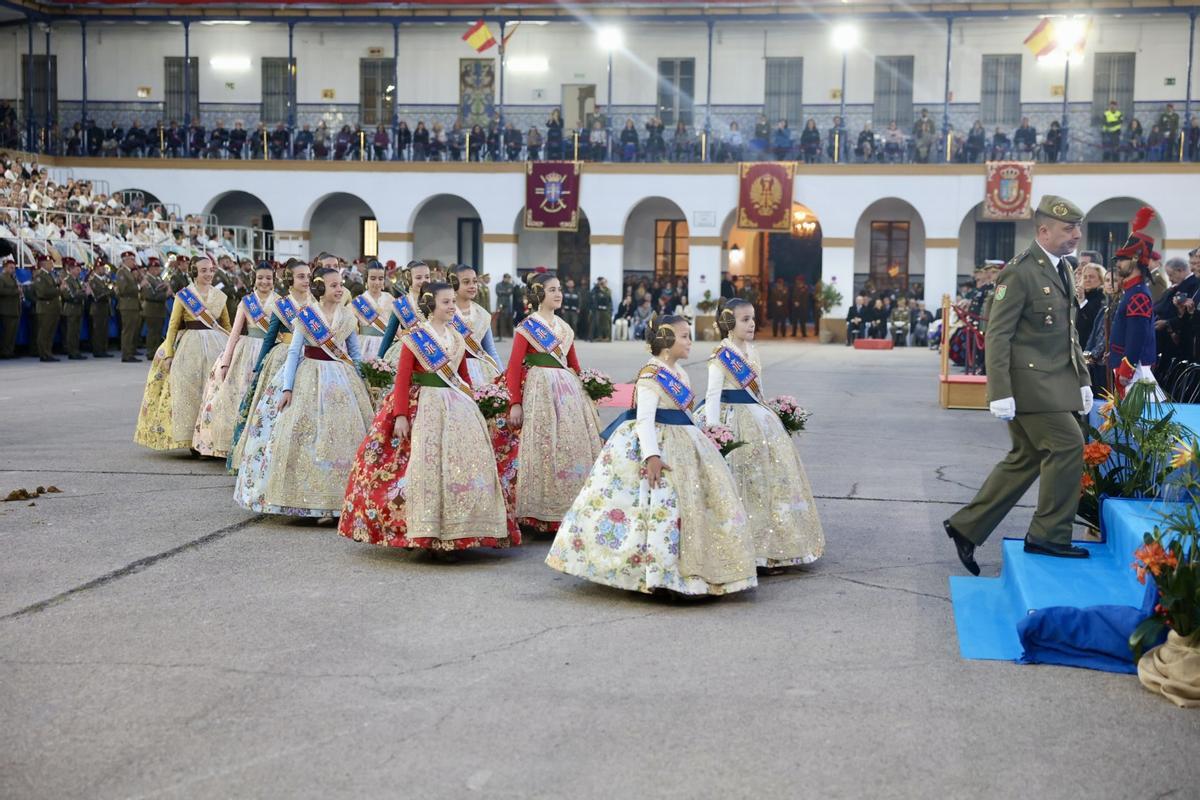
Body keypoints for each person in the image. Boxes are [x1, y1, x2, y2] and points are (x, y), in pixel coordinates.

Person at [545, 314, 757, 596]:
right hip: (658, 446)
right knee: (658, 509)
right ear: (666, 341)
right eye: (684, 336)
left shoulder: (678, 372)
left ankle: (688, 569)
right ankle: (656, 573)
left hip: (683, 442)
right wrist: (652, 456)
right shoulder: (650, 375)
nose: (690, 342)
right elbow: (644, 420)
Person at [944, 196, 1094, 572]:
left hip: (1055, 383)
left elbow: (1069, 333)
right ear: (1044, 230)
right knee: (1068, 444)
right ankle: (1049, 534)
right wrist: (998, 391)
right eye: (1068, 229)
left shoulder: (1063, 268)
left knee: (1025, 457)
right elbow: (998, 334)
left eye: (1077, 228)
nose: (1076, 235)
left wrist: (1083, 379)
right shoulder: (1020, 271)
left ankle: (966, 527)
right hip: (1029, 386)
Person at [339, 281, 515, 550]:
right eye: (446, 302)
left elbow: (463, 379)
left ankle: (460, 529)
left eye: (453, 302)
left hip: (457, 407)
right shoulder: (415, 338)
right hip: (422, 405)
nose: (452, 307)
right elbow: (402, 380)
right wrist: (400, 415)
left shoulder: (457, 338)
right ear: (431, 304)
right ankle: (420, 529)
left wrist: (477, 405)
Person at [234, 267, 373, 517]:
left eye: (340, 284)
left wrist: (366, 381)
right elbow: (293, 352)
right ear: (320, 288)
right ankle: (305, 498)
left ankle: (340, 499)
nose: (339, 289)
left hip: (342, 380)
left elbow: (354, 354)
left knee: (340, 437)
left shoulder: (348, 317)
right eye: (333, 285)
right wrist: (287, 388)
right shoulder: (306, 316)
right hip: (307, 377)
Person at [704, 299, 824, 569]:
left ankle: (770, 546)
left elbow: (758, 390)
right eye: (745, 319)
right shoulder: (721, 356)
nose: (752, 324)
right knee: (740, 481)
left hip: (759, 420)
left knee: (765, 482)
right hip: (732, 420)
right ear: (729, 323)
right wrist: (714, 432)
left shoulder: (753, 351)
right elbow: (712, 396)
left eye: (753, 318)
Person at [504, 272, 602, 533]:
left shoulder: (565, 328)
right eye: (552, 290)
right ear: (539, 294)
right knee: (544, 446)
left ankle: (569, 508)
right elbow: (514, 366)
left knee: (570, 446)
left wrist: (589, 388)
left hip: (568, 393)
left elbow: (573, 364)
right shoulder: (527, 326)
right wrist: (515, 402)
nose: (558, 294)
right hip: (540, 390)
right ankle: (540, 513)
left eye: (559, 289)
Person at [134, 257, 230, 451]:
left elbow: (226, 325)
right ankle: (191, 439)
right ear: (194, 272)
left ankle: (210, 437)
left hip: (216, 345)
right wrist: (169, 353)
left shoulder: (220, 296)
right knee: (190, 392)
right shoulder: (184, 295)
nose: (208, 274)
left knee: (213, 392)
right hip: (190, 345)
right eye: (203, 270)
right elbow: (173, 325)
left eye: (211, 270)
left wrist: (232, 349)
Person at [227, 260, 312, 474]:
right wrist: (259, 367)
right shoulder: (282, 305)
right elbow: (270, 337)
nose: (306, 280)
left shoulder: (316, 302)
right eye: (301, 276)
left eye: (308, 276)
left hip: (312, 360)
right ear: (290, 279)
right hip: (282, 358)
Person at [192, 262, 277, 460]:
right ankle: (232, 445)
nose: (264, 282)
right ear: (254, 279)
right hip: (246, 353)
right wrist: (225, 361)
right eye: (260, 278)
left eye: (268, 278)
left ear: (274, 280)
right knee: (237, 398)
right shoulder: (246, 302)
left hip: (271, 352)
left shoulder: (281, 302)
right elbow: (234, 333)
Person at [1108, 207, 1161, 398]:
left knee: (1135, 414)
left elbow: (1137, 335)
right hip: (1125, 364)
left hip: (1134, 369)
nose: (1118, 264)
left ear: (1136, 259)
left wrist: (1127, 367)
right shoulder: (1132, 291)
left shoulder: (1138, 294)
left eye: (1123, 259)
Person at [450, 264, 502, 386]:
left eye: (474, 282)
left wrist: (502, 376)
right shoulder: (446, 312)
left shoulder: (482, 314)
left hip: (479, 372)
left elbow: (490, 350)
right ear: (454, 284)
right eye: (466, 282)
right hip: (452, 371)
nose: (472, 286)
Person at [378, 260, 431, 364]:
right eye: (418, 278)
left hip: (433, 350)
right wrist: (379, 358)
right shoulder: (401, 304)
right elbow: (389, 334)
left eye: (427, 277)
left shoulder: (438, 300)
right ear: (410, 279)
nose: (424, 281)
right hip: (407, 350)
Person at [349, 260, 394, 362]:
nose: (377, 282)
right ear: (366, 279)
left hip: (386, 344)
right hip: (364, 344)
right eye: (373, 278)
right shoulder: (358, 302)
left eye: (380, 279)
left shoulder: (390, 299)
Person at [31, 255, 62, 362]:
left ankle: (48, 352)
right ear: (43, 264)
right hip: (45, 308)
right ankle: (44, 354)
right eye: (50, 263)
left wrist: (57, 285)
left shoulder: (49, 275)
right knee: (44, 332)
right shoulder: (40, 276)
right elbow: (42, 293)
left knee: (50, 332)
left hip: (52, 308)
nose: (52, 265)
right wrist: (59, 289)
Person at [116, 251, 144, 362]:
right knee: (128, 330)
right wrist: (139, 286)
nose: (134, 262)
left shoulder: (129, 272)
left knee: (133, 330)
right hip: (127, 305)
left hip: (133, 305)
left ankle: (131, 351)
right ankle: (126, 354)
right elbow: (124, 289)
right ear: (125, 260)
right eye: (131, 259)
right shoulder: (121, 272)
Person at [141, 257, 170, 357]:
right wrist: (166, 294)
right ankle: (151, 352)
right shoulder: (147, 279)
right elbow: (150, 295)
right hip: (151, 309)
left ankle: (155, 351)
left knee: (158, 332)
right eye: (156, 269)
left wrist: (165, 286)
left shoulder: (158, 279)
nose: (158, 270)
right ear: (151, 269)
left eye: (158, 268)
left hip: (159, 310)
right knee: (152, 332)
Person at [87, 259, 115, 358]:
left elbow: (111, 292)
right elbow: (98, 295)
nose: (104, 269)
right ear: (97, 268)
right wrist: (109, 291)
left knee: (104, 330)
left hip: (104, 307)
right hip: (97, 308)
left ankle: (103, 349)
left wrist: (110, 290)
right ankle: (98, 350)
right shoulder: (93, 280)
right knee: (98, 330)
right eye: (102, 268)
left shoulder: (104, 280)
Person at [0, 257, 20, 358]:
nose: (13, 269)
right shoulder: (2, 278)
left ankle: (10, 350)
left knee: (13, 332)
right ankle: (5, 351)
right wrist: (16, 291)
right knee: (8, 332)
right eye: (11, 267)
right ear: (5, 267)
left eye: (14, 268)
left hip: (15, 308)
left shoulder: (13, 278)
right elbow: (1, 291)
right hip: (7, 309)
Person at [590, 277, 612, 341]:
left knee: (606, 324)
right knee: (599, 323)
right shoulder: (596, 289)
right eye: (602, 282)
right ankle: (600, 336)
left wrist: (602, 289)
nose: (602, 284)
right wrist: (597, 287)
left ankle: (608, 337)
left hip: (606, 309)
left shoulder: (608, 290)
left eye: (604, 282)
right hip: (598, 309)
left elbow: (608, 297)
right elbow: (592, 294)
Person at [494, 273, 514, 340]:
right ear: (504, 278)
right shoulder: (498, 285)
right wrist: (506, 292)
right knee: (499, 319)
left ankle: (505, 335)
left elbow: (510, 293)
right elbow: (498, 293)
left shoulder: (510, 285)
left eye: (509, 278)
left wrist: (502, 292)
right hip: (500, 304)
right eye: (507, 278)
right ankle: (499, 335)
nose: (508, 280)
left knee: (506, 318)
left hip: (507, 304)